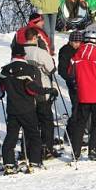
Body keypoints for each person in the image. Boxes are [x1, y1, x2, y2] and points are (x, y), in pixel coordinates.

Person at [0, 45, 56, 174]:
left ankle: (9, 163)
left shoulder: (5, 70)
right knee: (34, 136)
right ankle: (35, 161)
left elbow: (1, 89)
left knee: (11, 137)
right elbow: (32, 89)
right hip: (27, 109)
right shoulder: (29, 69)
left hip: (12, 110)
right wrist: (49, 90)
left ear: (12, 55)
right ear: (24, 55)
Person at [69, 31, 96, 161]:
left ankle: (75, 151)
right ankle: (94, 149)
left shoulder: (76, 56)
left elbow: (70, 74)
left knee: (80, 123)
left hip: (82, 95)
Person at [23, 28, 60, 159]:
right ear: (34, 38)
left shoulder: (20, 53)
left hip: (25, 93)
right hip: (42, 90)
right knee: (46, 122)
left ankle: (29, 149)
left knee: (30, 123)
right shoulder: (40, 52)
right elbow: (51, 69)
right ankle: (47, 148)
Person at [58, 31, 83, 129]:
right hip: (73, 82)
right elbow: (62, 70)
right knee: (76, 107)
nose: (77, 44)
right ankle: (71, 131)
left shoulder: (81, 49)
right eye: (75, 42)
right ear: (70, 41)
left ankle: (81, 129)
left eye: (79, 42)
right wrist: (71, 80)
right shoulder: (65, 51)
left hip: (82, 82)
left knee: (82, 108)